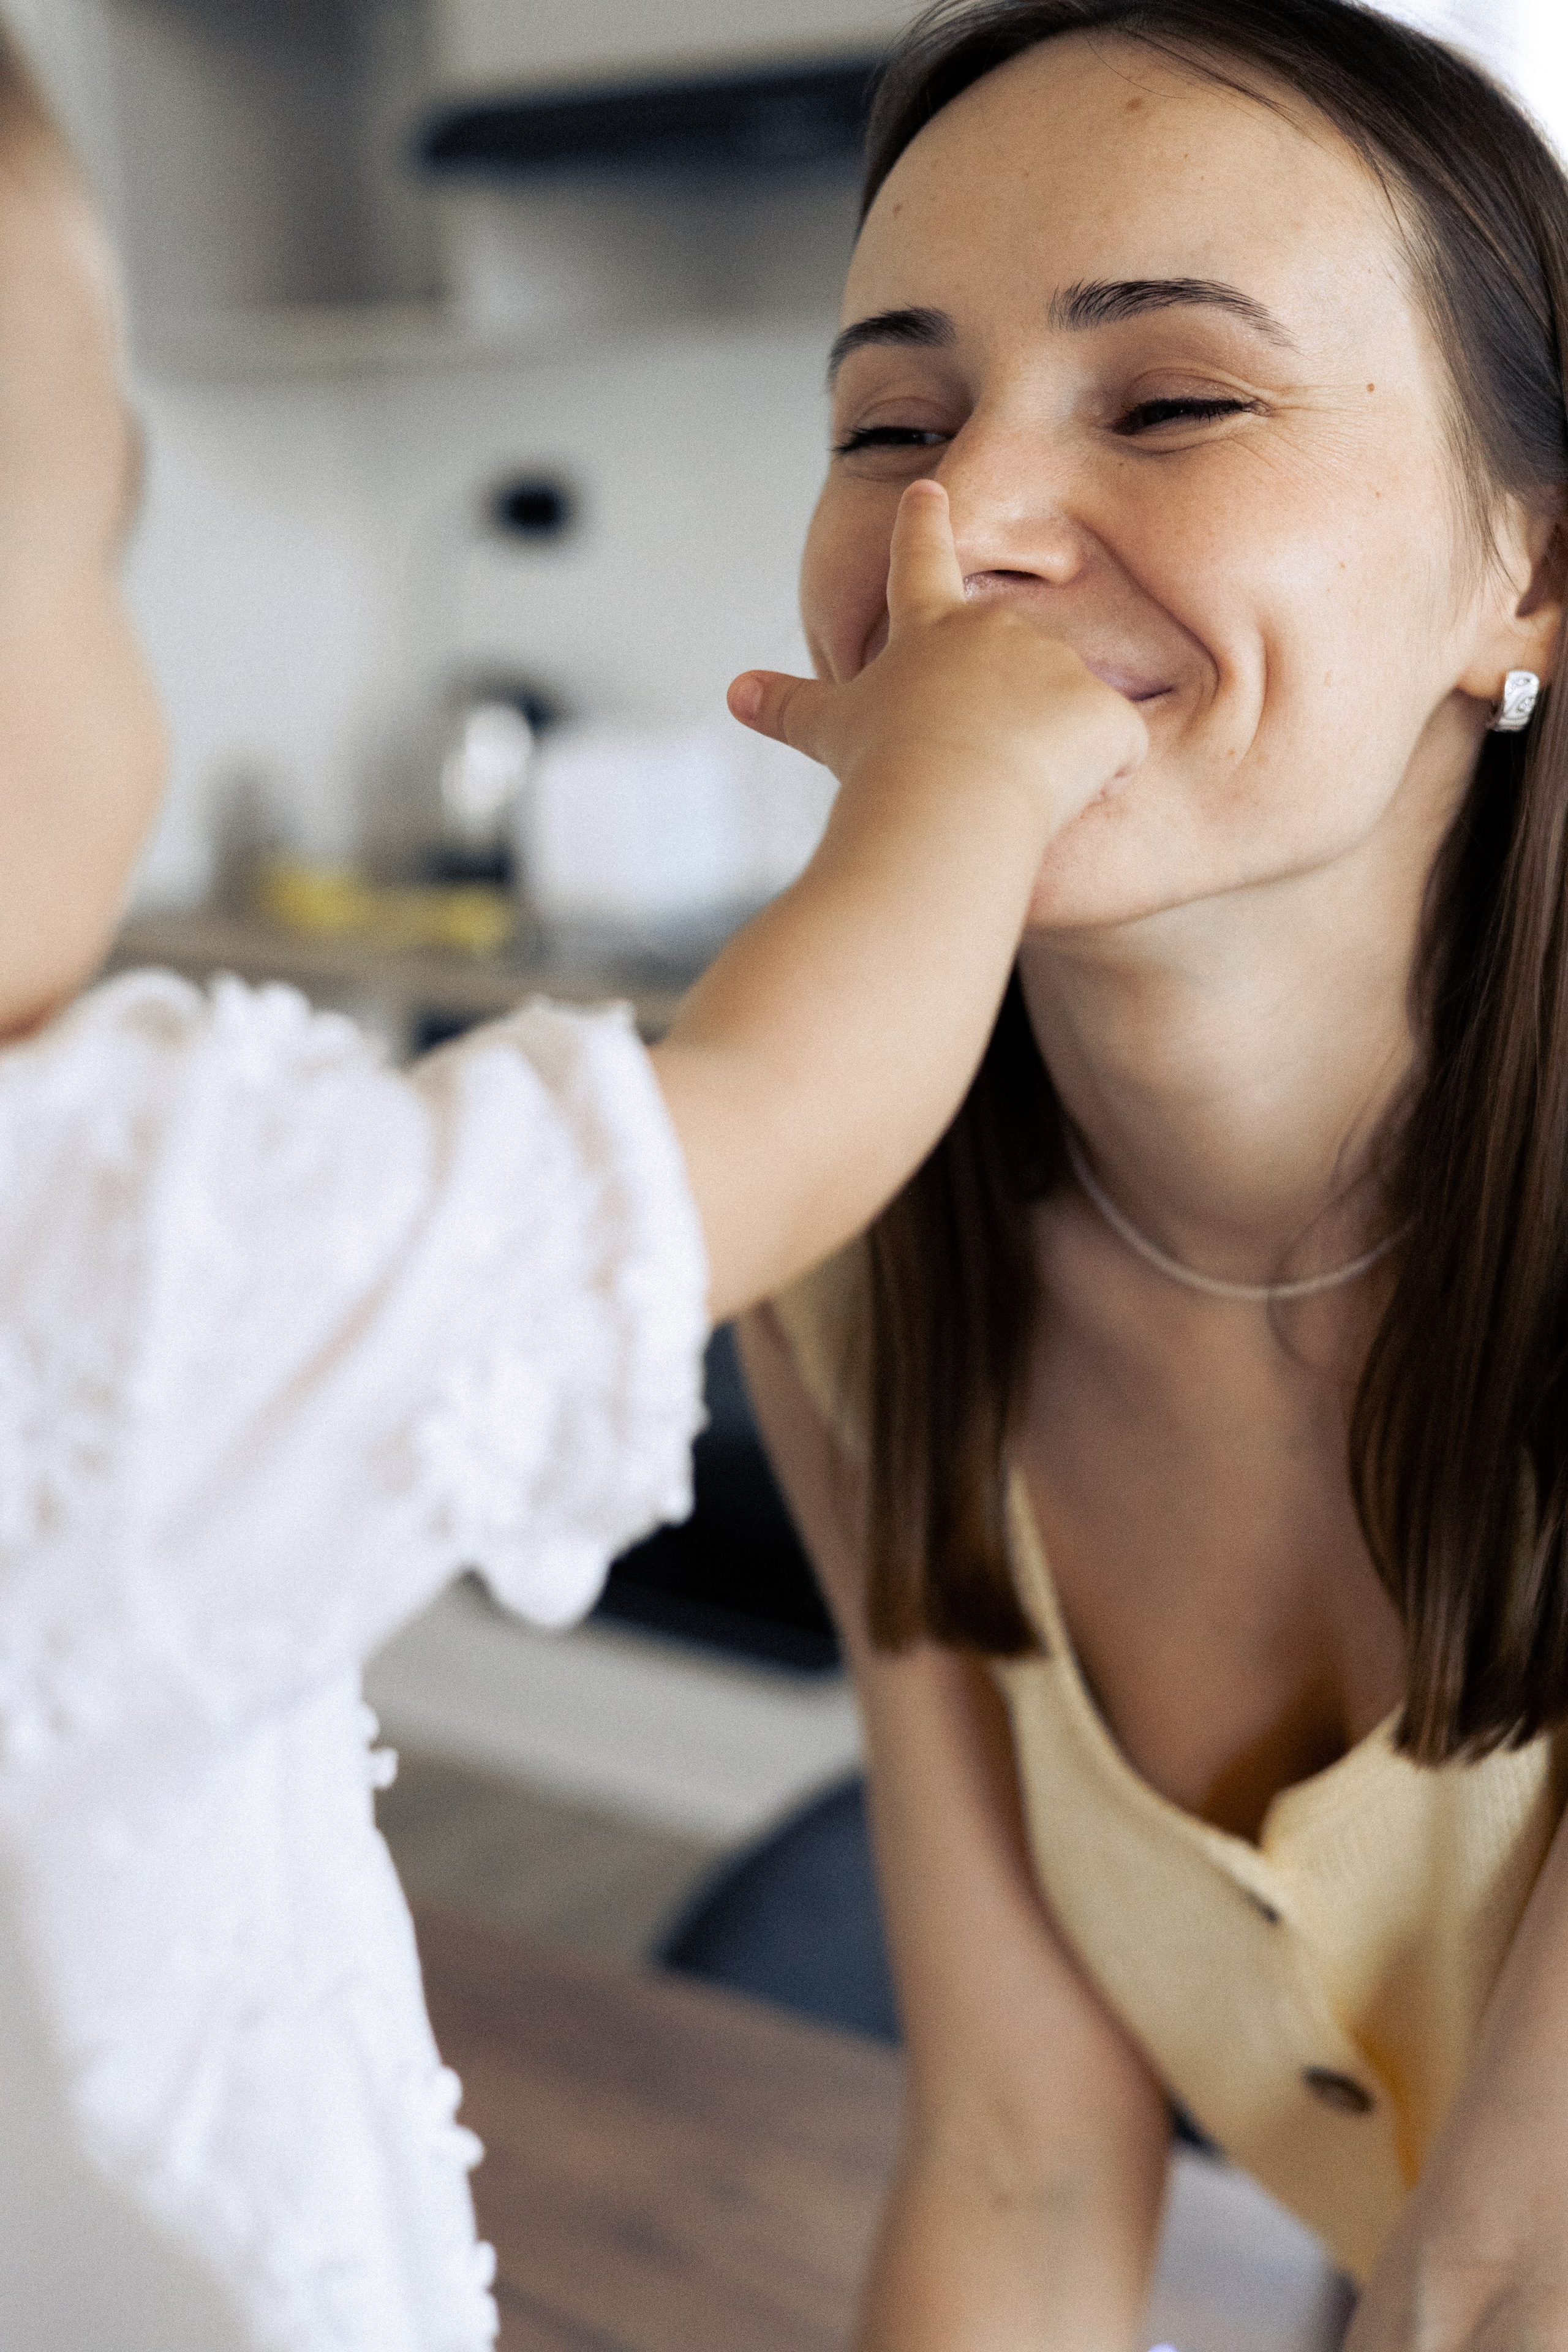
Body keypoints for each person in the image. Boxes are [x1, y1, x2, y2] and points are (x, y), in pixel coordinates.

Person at [0, 22, 1148, 2352]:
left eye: (1180, 404)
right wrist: (961, 770)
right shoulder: (105, 1231)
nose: (983, 537)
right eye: (96, 541)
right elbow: (761, 1121)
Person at [736, 3, 1568, 2348]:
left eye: (1176, 399)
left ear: (1533, 568)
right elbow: (1015, 2160)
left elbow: (1520, 2269)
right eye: (888, 423)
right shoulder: (848, 1285)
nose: (957, 526)